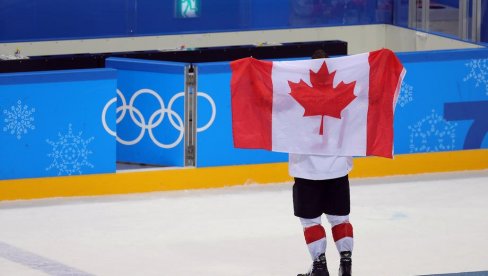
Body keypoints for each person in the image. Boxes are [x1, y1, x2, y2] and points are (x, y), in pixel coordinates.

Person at [293, 49, 354, 276]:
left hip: (306, 171)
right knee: (340, 220)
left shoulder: (295, 96)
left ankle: (319, 266)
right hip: (337, 169)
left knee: (311, 223)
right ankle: (346, 263)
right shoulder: (345, 96)